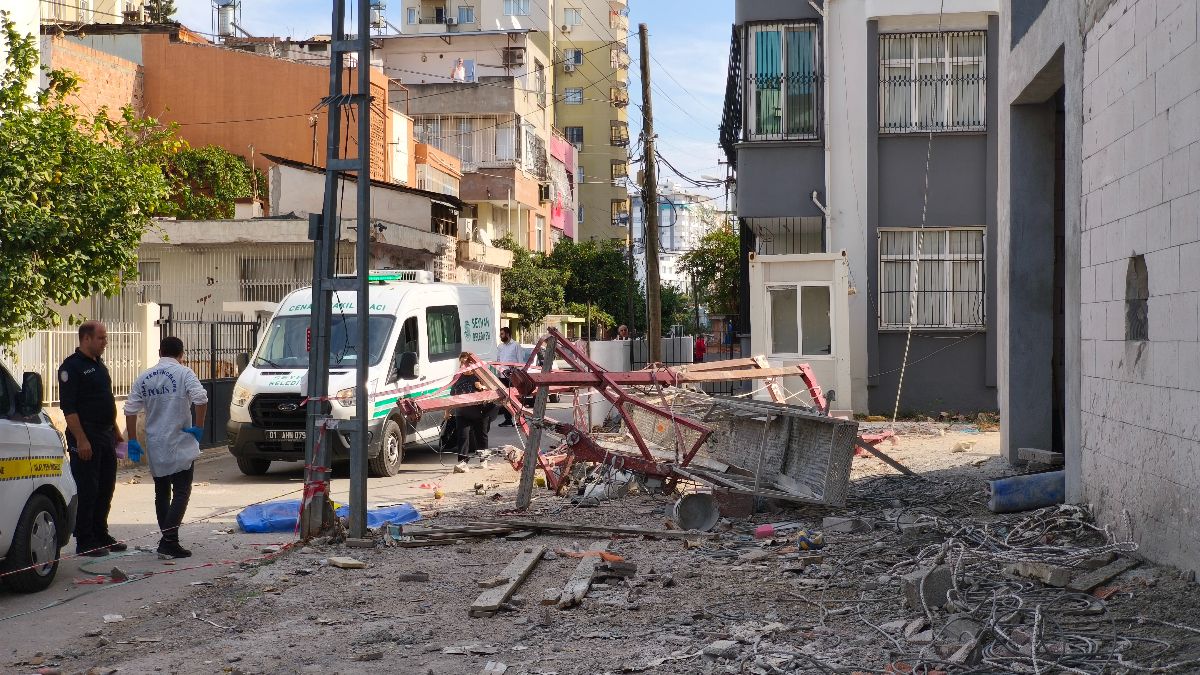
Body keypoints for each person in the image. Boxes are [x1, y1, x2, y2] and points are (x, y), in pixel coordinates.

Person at [123, 337, 209, 560]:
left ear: (160, 352)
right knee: (181, 490)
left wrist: (132, 439)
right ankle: (169, 541)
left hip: (155, 443)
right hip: (180, 441)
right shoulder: (184, 373)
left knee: (161, 492)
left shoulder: (144, 376)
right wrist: (199, 427)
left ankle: (168, 540)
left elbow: (130, 409)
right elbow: (201, 399)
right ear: (181, 354)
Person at [59, 321, 126, 557]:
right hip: (86, 434)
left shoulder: (99, 364)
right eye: (101, 338)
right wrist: (81, 439)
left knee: (106, 487)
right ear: (86, 339)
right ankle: (85, 540)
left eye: (105, 338)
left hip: (105, 434)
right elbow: (69, 409)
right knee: (88, 488)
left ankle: (100, 533)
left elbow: (104, 400)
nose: (105, 342)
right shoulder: (71, 367)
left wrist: (115, 430)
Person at [450, 352, 489, 463]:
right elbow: (452, 395)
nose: (464, 365)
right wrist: (447, 412)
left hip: (479, 412)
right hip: (462, 412)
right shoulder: (457, 376)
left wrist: (481, 387)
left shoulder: (479, 375)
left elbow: (492, 390)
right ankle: (462, 462)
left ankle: (483, 460)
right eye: (462, 363)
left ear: (472, 363)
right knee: (462, 437)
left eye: (467, 363)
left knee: (481, 436)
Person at [495, 326, 523, 427]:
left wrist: (519, 375)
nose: (500, 336)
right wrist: (498, 373)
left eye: (502, 334)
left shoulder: (516, 345)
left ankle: (519, 420)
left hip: (513, 376)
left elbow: (520, 361)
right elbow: (498, 360)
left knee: (515, 398)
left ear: (507, 334)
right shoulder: (500, 346)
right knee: (505, 399)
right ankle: (508, 420)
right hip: (502, 376)